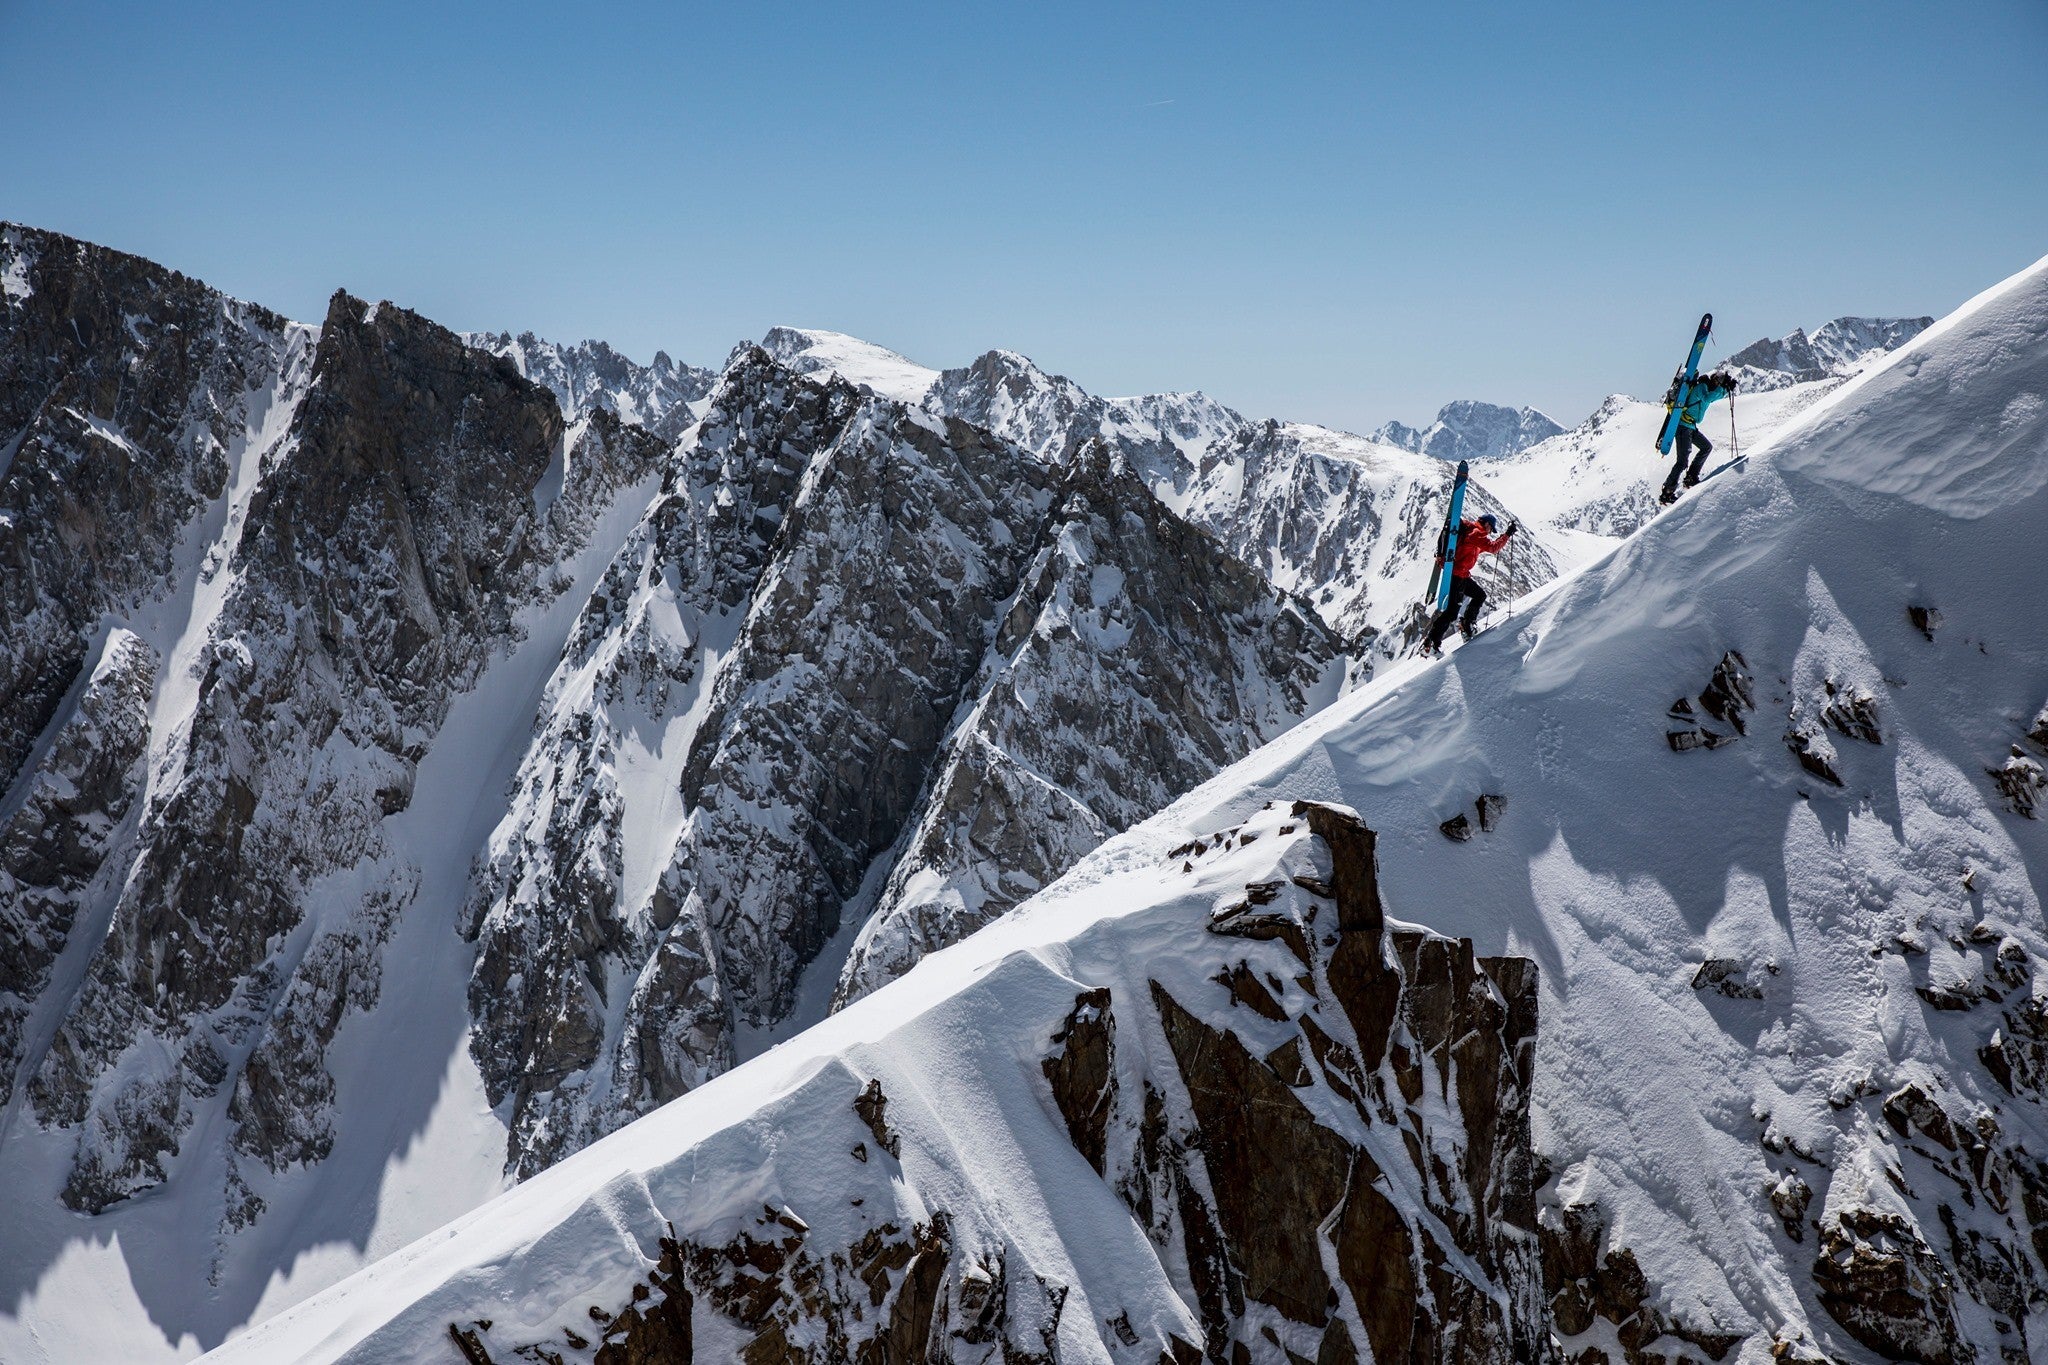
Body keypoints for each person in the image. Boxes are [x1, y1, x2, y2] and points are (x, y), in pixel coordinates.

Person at [1422, 513, 1515, 654]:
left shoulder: (1475, 534)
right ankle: (1432, 643)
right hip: (1457, 576)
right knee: (1452, 612)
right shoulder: (1476, 534)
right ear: (1487, 524)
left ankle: (1466, 625)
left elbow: (1491, 546)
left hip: (1462, 576)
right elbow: (1493, 548)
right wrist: (1507, 534)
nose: (1490, 532)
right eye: (1491, 529)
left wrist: (1503, 537)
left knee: (1479, 595)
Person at [1660, 370, 1738, 504]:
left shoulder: (1707, 388)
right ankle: (1667, 491)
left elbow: (1711, 396)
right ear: (1715, 381)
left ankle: (1691, 477)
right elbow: (1708, 398)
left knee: (1706, 447)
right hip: (1683, 426)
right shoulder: (1702, 387)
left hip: (1690, 426)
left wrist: (1724, 390)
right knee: (1682, 461)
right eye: (1719, 382)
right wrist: (1723, 389)